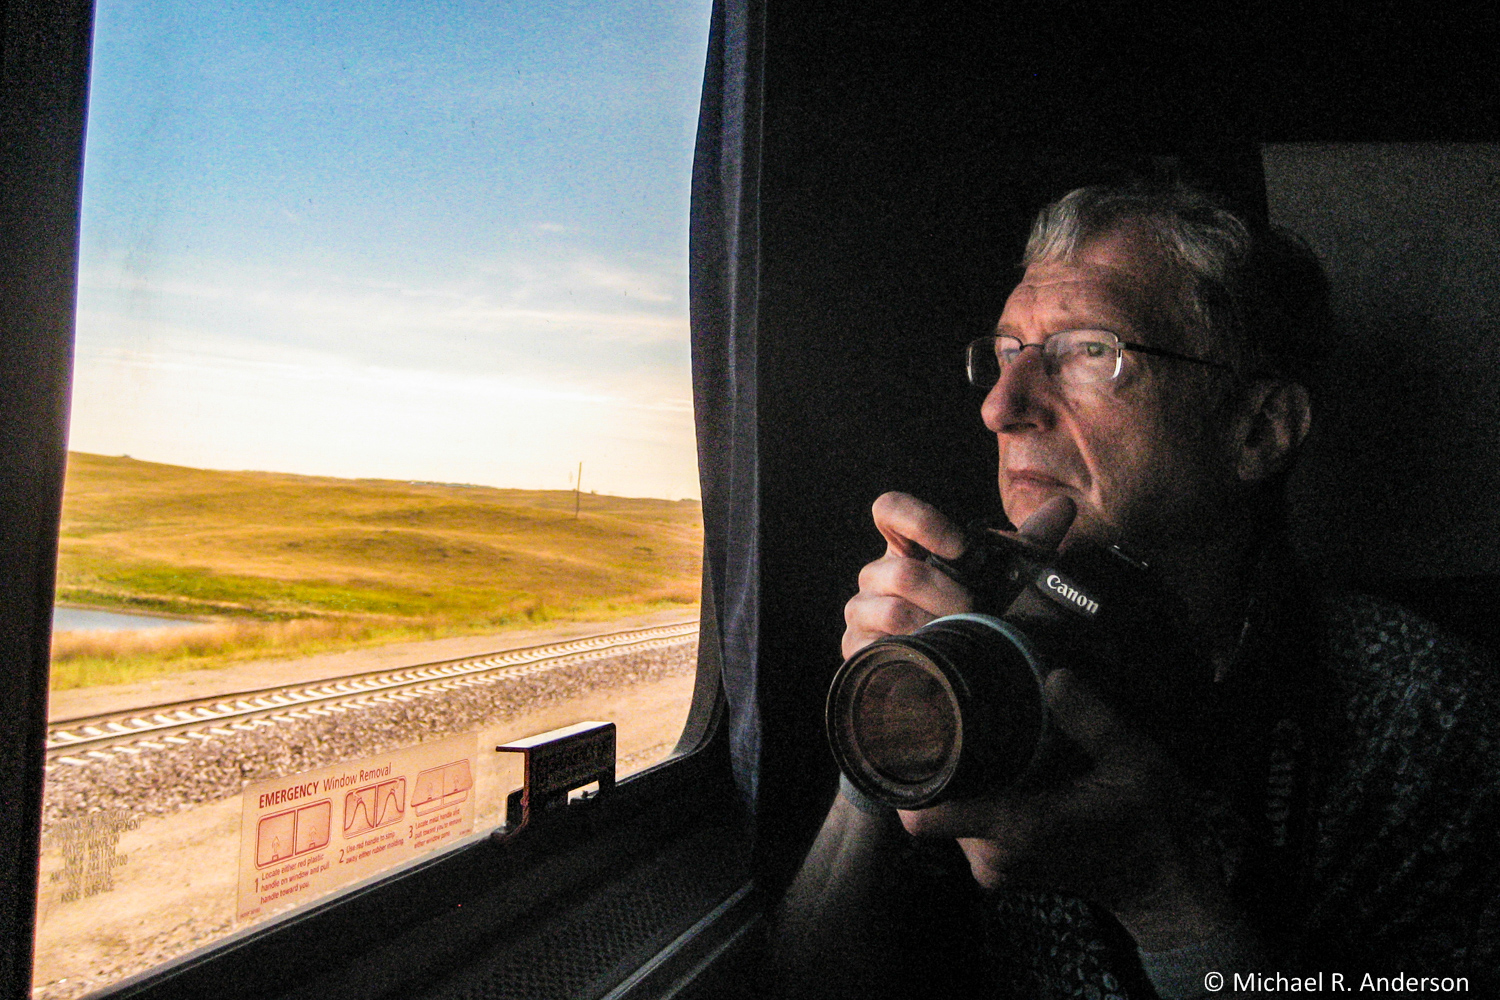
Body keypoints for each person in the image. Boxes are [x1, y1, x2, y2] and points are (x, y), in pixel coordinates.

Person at [771, 183, 1499, 999]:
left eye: (1089, 351)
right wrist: (888, 732)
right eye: (1008, 352)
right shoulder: (978, 641)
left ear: (1258, 430)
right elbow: (809, 980)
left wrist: (1167, 903)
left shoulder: (1434, 724)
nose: (1000, 407)